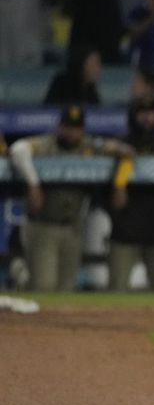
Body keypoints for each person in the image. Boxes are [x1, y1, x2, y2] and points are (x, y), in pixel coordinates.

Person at [8, 105, 134, 291]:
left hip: (73, 227)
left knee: (66, 288)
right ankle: (20, 276)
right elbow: (17, 150)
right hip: (44, 225)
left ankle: (23, 277)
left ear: (82, 129)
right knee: (43, 286)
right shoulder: (45, 144)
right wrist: (33, 184)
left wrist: (120, 175)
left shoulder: (88, 145)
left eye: (76, 128)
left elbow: (126, 151)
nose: (71, 132)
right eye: (67, 127)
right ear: (59, 125)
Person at [107, 96, 154, 291]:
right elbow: (104, 190)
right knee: (117, 290)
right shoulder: (119, 144)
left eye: (152, 114)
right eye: (142, 113)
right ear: (133, 116)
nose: (148, 118)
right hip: (125, 230)